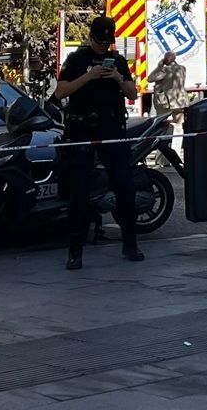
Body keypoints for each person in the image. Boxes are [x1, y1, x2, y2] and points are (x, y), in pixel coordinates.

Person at [54, 15, 142, 270]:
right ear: (91, 37)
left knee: (125, 185)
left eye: (108, 42)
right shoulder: (77, 60)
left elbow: (133, 93)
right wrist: (89, 76)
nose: (104, 47)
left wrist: (117, 77)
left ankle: (130, 244)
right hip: (81, 129)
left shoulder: (117, 61)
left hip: (111, 127)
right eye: (100, 42)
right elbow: (60, 92)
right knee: (80, 191)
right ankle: (75, 251)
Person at [148, 50, 188, 116]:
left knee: (162, 121)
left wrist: (159, 67)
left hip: (166, 101)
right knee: (179, 121)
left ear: (167, 59)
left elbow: (150, 79)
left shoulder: (165, 70)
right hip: (180, 100)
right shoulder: (182, 68)